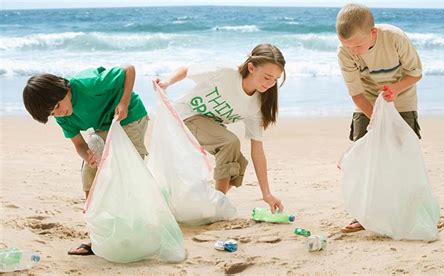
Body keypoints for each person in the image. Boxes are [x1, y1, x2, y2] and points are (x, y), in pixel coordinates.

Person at [23, 65, 148, 255]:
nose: (59, 113)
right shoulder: (62, 117)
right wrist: (87, 157)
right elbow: (79, 145)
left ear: (63, 90)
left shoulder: (88, 84)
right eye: (52, 113)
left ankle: (136, 231)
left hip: (130, 116)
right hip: (104, 126)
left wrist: (124, 101)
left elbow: (128, 70)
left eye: (57, 106)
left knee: (126, 174)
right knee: (90, 173)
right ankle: (98, 236)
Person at [154, 43, 286, 213]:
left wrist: (266, 193)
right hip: (184, 115)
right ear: (251, 67)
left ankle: (215, 200)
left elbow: (257, 151)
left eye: (275, 79)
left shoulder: (256, 105)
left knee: (239, 163)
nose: (270, 84)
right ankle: (217, 204)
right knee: (229, 143)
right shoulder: (226, 73)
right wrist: (166, 83)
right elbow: (187, 70)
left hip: (207, 125)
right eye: (267, 77)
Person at [336, 3, 423, 233]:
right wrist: (377, 118)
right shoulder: (344, 52)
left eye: (357, 45)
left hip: (401, 100)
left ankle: (406, 211)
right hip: (366, 103)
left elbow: (415, 73)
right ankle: (362, 215)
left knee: (402, 156)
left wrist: (394, 89)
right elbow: (356, 93)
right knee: (365, 158)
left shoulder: (395, 38)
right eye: (347, 45)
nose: (352, 51)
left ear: (373, 33)